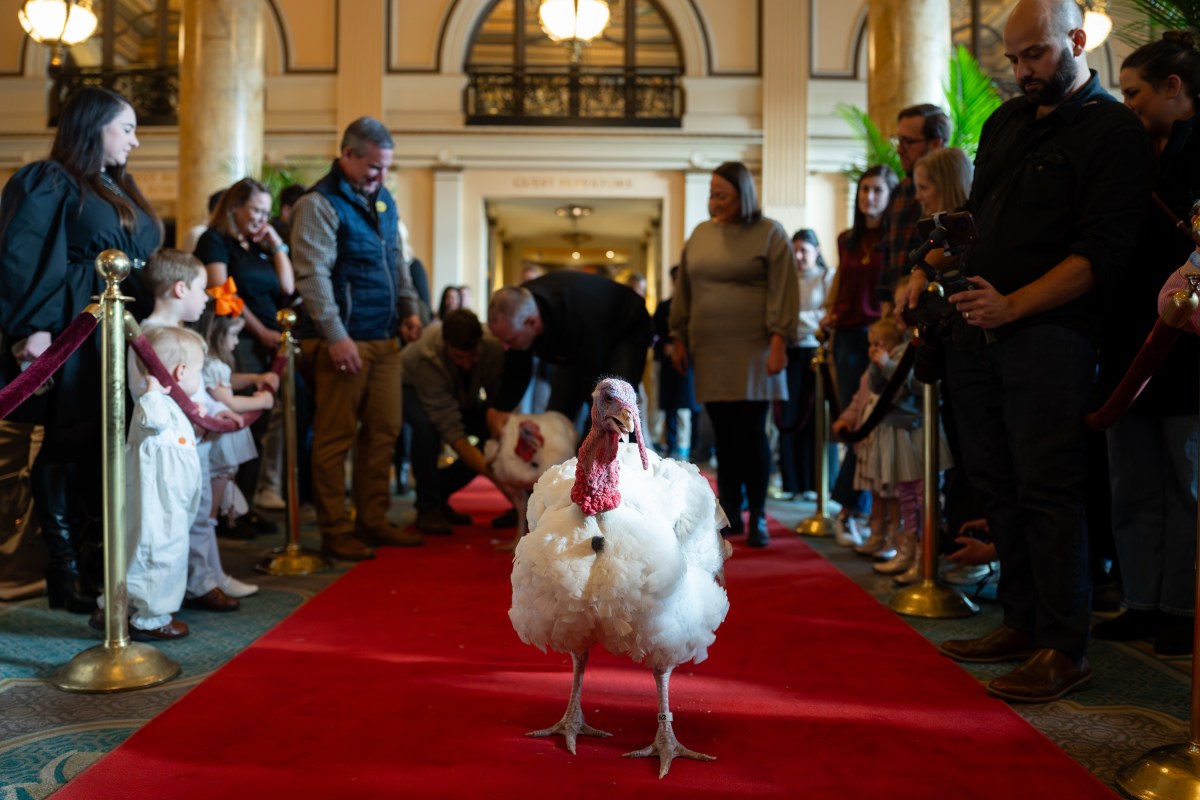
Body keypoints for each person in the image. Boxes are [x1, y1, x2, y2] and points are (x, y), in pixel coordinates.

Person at [903, 0, 1153, 702]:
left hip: (1053, 333)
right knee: (998, 482)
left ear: (1077, 41)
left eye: (1034, 55)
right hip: (980, 324)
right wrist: (935, 257)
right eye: (1013, 59)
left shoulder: (1112, 130)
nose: (1021, 71)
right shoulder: (1008, 120)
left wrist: (1015, 304)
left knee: (1049, 489)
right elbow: (979, 219)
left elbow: (1101, 255)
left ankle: (1064, 646)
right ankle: (1020, 620)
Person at [0, 87, 162, 613]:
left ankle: (97, 562)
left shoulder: (116, 184)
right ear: (94, 127)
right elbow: (22, 254)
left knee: (108, 443)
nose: (135, 141)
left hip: (122, 329)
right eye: (128, 128)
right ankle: (64, 568)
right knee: (72, 441)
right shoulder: (48, 179)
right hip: (72, 323)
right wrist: (33, 328)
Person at [1093, 31, 1200, 656]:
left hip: (1186, 344)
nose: (1125, 103)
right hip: (1128, 341)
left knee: (1184, 481)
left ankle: (1182, 607)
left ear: (1173, 88)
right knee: (1133, 478)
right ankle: (1142, 598)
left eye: (1133, 92)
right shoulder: (1128, 152)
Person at [291, 116, 424, 560]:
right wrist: (335, 336)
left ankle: (373, 518)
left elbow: (397, 262)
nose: (381, 177)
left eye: (385, 168)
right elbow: (312, 275)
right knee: (336, 437)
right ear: (347, 155)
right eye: (373, 168)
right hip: (343, 340)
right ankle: (334, 529)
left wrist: (409, 309)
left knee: (384, 431)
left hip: (385, 338)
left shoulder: (383, 200)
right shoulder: (320, 203)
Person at [669, 161, 800, 548]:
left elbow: (783, 289)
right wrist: (678, 335)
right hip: (710, 347)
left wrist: (779, 340)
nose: (714, 202)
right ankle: (731, 514)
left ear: (744, 195)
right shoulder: (699, 235)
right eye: (711, 194)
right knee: (723, 437)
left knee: (752, 434)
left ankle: (758, 514)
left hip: (755, 348)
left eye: (721, 195)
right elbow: (685, 291)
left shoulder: (769, 234)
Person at [136, 249, 258, 608]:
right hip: (171, 445)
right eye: (202, 289)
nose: (206, 298)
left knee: (201, 515)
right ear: (179, 289)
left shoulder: (179, 333)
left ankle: (205, 578)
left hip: (193, 441)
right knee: (174, 522)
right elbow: (150, 393)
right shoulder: (151, 336)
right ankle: (184, 589)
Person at [93, 326, 206, 641]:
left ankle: (112, 608)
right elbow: (152, 419)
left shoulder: (172, 406)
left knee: (140, 555)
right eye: (199, 371)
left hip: (171, 502)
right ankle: (152, 618)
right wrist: (154, 388)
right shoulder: (152, 402)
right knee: (158, 556)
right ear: (181, 371)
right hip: (159, 506)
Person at [194, 178, 297, 515]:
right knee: (239, 420)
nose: (261, 218)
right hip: (235, 339)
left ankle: (246, 507)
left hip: (267, 340)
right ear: (234, 206)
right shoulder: (215, 240)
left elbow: (287, 286)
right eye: (256, 210)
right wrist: (261, 331)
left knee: (262, 424)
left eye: (267, 212)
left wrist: (278, 244)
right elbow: (224, 294)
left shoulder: (259, 247)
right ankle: (228, 510)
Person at [822, 165, 898, 547]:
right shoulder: (846, 239)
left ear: (890, 195)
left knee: (875, 425)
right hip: (848, 337)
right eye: (865, 190)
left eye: (877, 191)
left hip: (881, 337)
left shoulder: (895, 239)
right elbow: (841, 286)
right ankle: (855, 513)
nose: (869, 197)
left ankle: (856, 511)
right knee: (855, 427)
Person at [487, 270, 653, 425]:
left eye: (510, 340)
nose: (505, 347)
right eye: (500, 339)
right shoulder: (517, 308)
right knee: (557, 416)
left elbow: (594, 379)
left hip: (625, 327)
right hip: (578, 336)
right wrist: (498, 410)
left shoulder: (578, 315)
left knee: (612, 409)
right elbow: (516, 372)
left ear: (532, 322)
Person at [402, 309, 505, 534]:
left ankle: (439, 490)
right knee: (426, 429)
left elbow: (498, 405)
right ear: (447, 346)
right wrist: (494, 476)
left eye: (472, 357)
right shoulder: (427, 355)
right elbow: (451, 429)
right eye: (459, 358)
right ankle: (428, 508)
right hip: (411, 387)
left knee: (493, 433)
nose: (467, 364)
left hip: (461, 392)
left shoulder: (492, 348)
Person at [195, 294, 279, 541]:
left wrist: (254, 379)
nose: (235, 342)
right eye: (233, 335)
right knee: (212, 503)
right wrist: (261, 401)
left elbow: (227, 382)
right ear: (216, 334)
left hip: (221, 437)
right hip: (217, 440)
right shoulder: (210, 364)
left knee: (221, 489)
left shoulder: (213, 363)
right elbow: (229, 400)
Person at [778, 229, 834, 504]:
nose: (799, 256)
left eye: (804, 250)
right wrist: (804, 320)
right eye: (795, 250)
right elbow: (779, 318)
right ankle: (792, 482)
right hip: (789, 352)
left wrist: (794, 322)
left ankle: (816, 482)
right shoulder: (785, 281)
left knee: (814, 419)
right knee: (790, 418)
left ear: (817, 250)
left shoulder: (827, 277)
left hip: (816, 352)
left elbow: (827, 316)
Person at [883, 104, 951, 298]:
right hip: (899, 307)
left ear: (936, 143)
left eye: (908, 142)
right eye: (898, 140)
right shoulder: (900, 191)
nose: (899, 150)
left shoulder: (953, 191)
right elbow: (889, 250)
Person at [652, 265, 700, 461]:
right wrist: (664, 346)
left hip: (689, 365)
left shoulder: (696, 306)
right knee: (669, 407)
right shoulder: (664, 307)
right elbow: (654, 334)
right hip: (668, 364)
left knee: (685, 408)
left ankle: (685, 448)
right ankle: (671, 445)